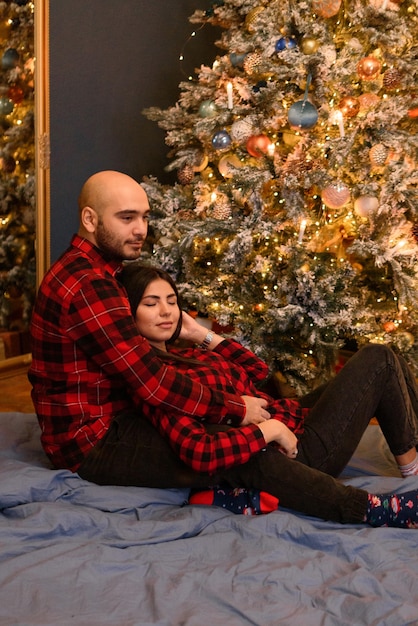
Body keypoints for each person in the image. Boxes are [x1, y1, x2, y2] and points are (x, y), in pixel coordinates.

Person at [29, 170, 418, 529]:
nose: (140, 230)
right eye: (126, 218)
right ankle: (367, 507)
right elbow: (151, 384)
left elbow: (262, 381)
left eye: (145, 217)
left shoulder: (100, 275)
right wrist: (239, 410)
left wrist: (206, 340)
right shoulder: (88, 285)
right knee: (235, 453)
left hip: (115, 415)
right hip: (92, 440)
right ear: (91, 220)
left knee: (379, 361)